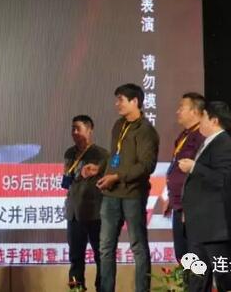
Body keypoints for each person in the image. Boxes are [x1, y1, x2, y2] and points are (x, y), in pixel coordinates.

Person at [97, 84, 159, 292]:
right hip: (110, 194)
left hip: (133, 195)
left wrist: (117, 177)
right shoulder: (118, 125)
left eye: (121, 100)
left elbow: (146, 166)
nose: (117, 104)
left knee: (138, 247)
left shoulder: (146, 131)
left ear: (135, 102)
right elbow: (116, 157)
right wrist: (100, 170)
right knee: (105, 247)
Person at [180, 101, 231, 292]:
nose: (200, 121)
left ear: (214, 120)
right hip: (201, 223)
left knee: (223, 275)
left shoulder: (224, 144)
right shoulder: (210, 142)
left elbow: (223, 180)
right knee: (197, 277)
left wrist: (194, 167)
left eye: (204, 116)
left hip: (214, 225)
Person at [63, 115, 109, 292]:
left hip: (95, 214)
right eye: (72, 129)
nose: (75, 132)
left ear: (89, 130)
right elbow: (66, 181)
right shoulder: (69, 153)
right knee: (75, 259)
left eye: (78, 129)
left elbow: (108, 181)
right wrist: (78, 174)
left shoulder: (101, 154)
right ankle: (77, 289)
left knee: (101, 258)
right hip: (74, 214)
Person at [164, 92, 206, 262]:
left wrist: (190, 205)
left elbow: (202, 174)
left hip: (191, 206)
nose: (178, 111)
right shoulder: (184, 135)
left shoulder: (202, 135)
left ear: (195, 111)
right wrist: (170, 196)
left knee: (194, 256)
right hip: (178, 203)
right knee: (182, 255)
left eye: (182, 107)